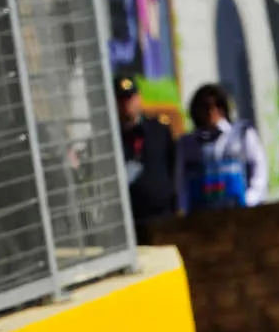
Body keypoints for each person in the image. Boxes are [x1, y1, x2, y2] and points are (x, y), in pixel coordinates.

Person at [176, 83, 268, 214]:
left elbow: (260, 170)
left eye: (217, 105)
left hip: (240, 211)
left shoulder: (242, 134)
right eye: (205, 107)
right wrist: (186, 209)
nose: (211, 111)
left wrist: (249, 200)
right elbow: (181, 180)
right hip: (204, 214)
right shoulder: (188, 143)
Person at [115, 75, 177, 238]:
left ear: (139, 98)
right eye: (121, 99)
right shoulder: (113, 139)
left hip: (163, 215)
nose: (127, 104)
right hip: (131, 219)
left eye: (130, 97)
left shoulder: (159, 130)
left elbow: (174, 166)